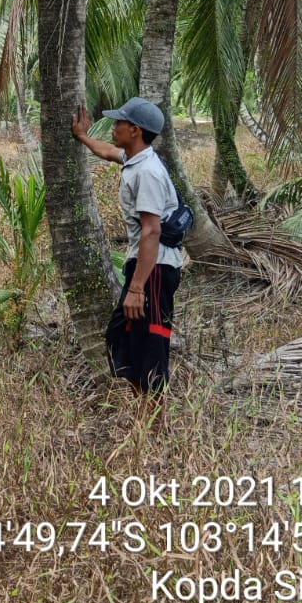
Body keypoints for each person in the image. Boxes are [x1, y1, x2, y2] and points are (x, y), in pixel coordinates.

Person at [71, 96, 183, 401]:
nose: (114, 127)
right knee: (121, 338)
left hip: (155, 270)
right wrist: (81, 136)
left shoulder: (147, 172)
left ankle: (153, 428)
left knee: (151, 347)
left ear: (134, 130)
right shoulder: (135, 159)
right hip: (145, 267)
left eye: (119, 122)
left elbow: (152, 230)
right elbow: (108, 152)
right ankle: (144, 415)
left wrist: (137, 288)